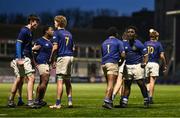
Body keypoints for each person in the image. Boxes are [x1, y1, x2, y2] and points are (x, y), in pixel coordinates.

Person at [8, 14, 40, 108]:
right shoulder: (24, 30)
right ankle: (30, 102)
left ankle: (11, 100)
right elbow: (18, 44)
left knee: (19, 79)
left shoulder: (31, 32)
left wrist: (33, 61)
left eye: (38, 22)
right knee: (31, 78)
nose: (37, 24)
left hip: (26, 57)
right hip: (23, 58)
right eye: (36, 22)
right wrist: (19, 59)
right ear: (31, 21)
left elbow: (29, 49)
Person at [120, 26, 149, 108]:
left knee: (141, 84)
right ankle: (124, 102)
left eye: (132, 32)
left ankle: (146, 100)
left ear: (135, 34)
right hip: (127, 66)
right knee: (127, 85)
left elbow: (146, 55)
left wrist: (144, 62)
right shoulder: (124, 43)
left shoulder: (139, 43)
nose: (130, 33)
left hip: (137, 66)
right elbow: (121, 54)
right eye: (128, 32)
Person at [49, 15, 74, 109]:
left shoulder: (57, 33)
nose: (54, 23)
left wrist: (51, 58)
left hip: (63, 57)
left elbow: (55, 47)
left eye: (55, 21)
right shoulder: (69, 33)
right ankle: (70, 101)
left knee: (60, 80)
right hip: (70, 57)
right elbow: (73, 47)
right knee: (68, 80)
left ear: (59, 22)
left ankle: (58, 103)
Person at [101, 27, 125, 109]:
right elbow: (123, 55)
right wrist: (121, 62)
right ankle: (107, 101)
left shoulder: (104, 42)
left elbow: (102, 54)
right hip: (112, 63)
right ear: (116, 34)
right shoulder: (118, 42)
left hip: (104, 64)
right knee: (111, 84)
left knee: (109, 84)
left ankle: (109, 102)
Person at [32, 26, 54, 106]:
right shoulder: (39, 41)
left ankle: (39, 100)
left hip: (47, 64)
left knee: (44, 82)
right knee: (45, 80)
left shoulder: (51, 42)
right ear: (46, 31)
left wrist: (52, 62)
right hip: (41, 62)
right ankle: (37, 100)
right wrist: (35, 63)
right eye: (51, 30)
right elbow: (33, 52)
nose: (53, 31)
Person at [144, 29, 167, 104]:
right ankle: (150, 97)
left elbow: (143, 54)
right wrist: (165, 64)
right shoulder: (158, 44)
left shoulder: (145, 43)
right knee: (152, 81)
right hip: (154, 63)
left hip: (146, 63)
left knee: (147, 82)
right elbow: (162, 56)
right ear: (156, 37)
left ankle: (147, 97)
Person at [112, 31, 128, 100]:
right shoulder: (128, 43)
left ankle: (121, 97)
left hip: (119, 62)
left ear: (122, 37)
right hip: (125, 62)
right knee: (123, 82)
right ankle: (113, 96)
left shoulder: (118, 43)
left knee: (119, 81)